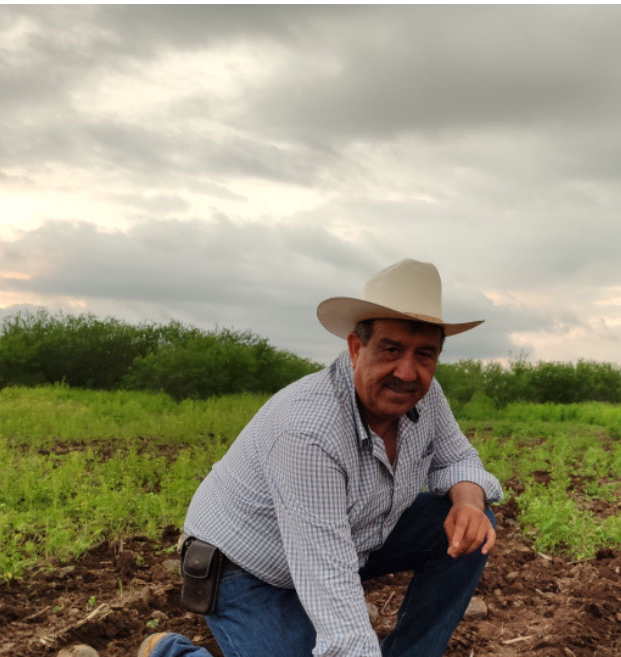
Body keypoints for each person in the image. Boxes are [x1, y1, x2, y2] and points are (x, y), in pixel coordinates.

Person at [138, 258, 502, 657]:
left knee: (472, 523)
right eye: (391, 349)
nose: (407, 371)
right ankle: (173, 653)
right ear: (356, 347)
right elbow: (329, 575)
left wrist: (469, 502)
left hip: (348, 536)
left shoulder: (426, 396)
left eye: (424, 355)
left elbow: (459, 460)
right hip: (246, 567)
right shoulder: (309, 430)